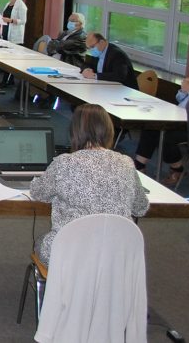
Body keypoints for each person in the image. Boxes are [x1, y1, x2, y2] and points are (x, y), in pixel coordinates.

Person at [29, 104, 149, 265]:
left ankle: (61, 289)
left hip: (71, 253)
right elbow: (140, 208)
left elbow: (38, 193)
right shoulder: (126, 162)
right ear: (109, 130)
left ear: (74, 131)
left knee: (40, 243)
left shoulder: (65, 163)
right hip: (117, 255)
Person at [133, 76, 189, 186]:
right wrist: (184, 90)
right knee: (152, 127)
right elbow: (181, 99)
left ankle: (177, 169)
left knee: (167, 137)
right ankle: (139, 166)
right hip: (180, 120)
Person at [0, 0, 28, 87]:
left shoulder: (21, 5)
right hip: (6, 31)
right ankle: (9, 80)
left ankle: (6, 80)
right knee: (6, 57)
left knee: (11, 59)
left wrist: (11, 20)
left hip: (15, 34)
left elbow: (23, 21)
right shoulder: (8, 3)